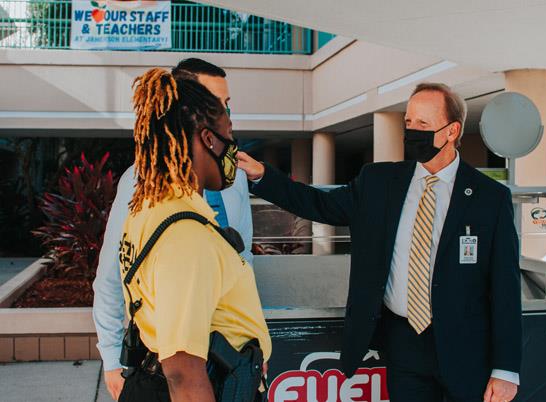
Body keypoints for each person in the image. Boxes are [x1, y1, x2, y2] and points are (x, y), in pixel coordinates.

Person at [238, 83, 522, 402]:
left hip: (468, 349)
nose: (412, 132)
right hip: (404, 344)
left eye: (423, 125)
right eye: (409, 123)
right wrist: (262, 175)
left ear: (452, 130)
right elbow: (318, 204)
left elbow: (505, 289)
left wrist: (506, 369)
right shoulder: (379, 182)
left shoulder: (490, 198)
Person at [92, 58, 254, 400]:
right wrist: (111, 362)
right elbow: (111, 275)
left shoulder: (235, 179)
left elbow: (244, 262)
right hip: (166, 374)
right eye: (213, 101)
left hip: (228, 368)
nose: (224, 112)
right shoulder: (140, 181)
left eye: (226, 104)